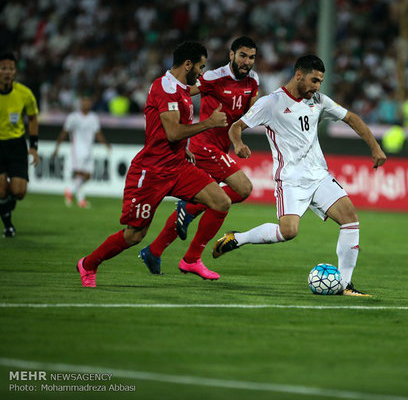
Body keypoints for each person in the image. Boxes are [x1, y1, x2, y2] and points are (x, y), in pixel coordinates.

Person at [215, 55, 387, 297]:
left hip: (319, 176)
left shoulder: (319, 100)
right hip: (291, 180)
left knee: (350, 219)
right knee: (289, 232)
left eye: (320, 82)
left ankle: (345, 285)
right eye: (314, 81)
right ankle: (238, 238)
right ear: (298, 75)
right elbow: (236, 126)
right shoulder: (271, 103)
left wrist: (375, 147)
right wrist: (238, 143)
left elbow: (351, 118)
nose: (317, 87)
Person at [76, 41, 229, 287]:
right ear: (187, 64)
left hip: (178, 166)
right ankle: (88, 264)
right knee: (134, 235)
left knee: (221, 201)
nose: (201, 73)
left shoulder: (180, 88)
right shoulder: (166, 88)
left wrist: (185, 149)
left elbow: (176, 129)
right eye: (200, 67)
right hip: (151, 171)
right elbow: (172, 132)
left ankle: (191, 256)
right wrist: (209, 123)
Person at [139, 36, 259, 277]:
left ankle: (154, 250)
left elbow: (252, 113)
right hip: (204, 147)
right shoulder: (214, 77)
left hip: (219, 148)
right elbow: (184, 90)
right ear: (232, 54)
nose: (248, 61)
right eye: (243, 55)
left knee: (211, 200)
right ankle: (191, 256)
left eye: (252, 57)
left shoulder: (253, 80)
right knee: (243, 188)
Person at [0, 51, 40, 238]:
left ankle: (6, 206)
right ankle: (8, 225)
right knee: (1, 190)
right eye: (3, 68)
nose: (7, 72)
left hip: (16, 145)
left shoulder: (24, 94)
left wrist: (34, 147)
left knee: (19, 191)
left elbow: (32, 118)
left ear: (15, 72)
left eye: (10, 68)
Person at [51, 95, 111, 208]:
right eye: (84, 102)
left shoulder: (93, 117)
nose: (86, 104)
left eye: (88, 102)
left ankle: (70, 191)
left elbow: (98, 134)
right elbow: (64, 132)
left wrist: (106, 144)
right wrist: (57, 148)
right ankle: (80, 200)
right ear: (80, 103)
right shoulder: (73, 117)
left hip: (89, 149)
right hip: (77, 149)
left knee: (88, 175)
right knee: (79, 173)